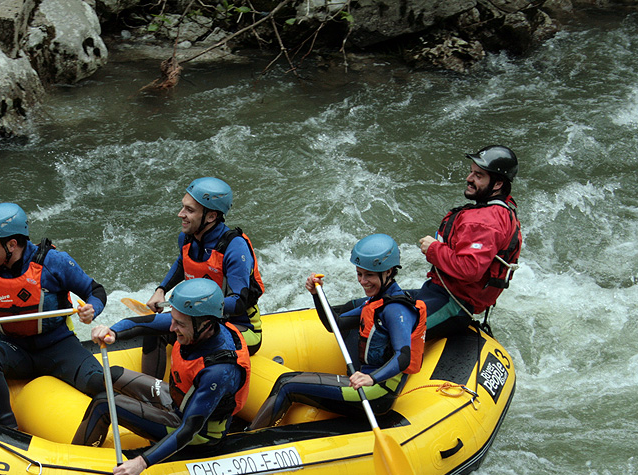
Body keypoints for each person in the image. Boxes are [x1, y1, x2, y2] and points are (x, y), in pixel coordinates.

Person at [0, 202, 107, 428]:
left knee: (100, 383)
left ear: (11, 244)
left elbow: (95, 291)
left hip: (58, 347)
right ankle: (9, 429)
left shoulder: (54, 262)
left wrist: (92, 309)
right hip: (15, 350)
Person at [77, 278, 251, 475]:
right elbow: (142, 324)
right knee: (111, 375)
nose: (172, 327)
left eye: (180, 324)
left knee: (104, 404)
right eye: (174, 319)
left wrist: (141, 463)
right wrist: (112, 332)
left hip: (198, 435)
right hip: (177, 401)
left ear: (205, 325)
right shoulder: (200, 323)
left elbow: (189, 429)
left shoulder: (219, 370)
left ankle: (73, 468)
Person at [249, 234, 427, 430]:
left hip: (377, 392)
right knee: (285, 380)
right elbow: (334, 324)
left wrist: (371, 378)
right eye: (359, 274)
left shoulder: (396, 310)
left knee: (287, 385)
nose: (363, 281)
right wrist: (318, 295)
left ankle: (251, 437)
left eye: (369, 275)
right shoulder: (378, 301)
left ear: (389, 272)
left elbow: (403, 355)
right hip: (367, 383)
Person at [141, 177, 265, 376]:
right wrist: (161, 290)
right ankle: (150, 398)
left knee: (196, 337)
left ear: (211, 216)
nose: (180, 214)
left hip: (242, 327)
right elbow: (183, 264)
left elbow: (239, 302)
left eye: (189, 210)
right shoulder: (187, 237)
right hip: (198, 320)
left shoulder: (235, 247)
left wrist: (191, 306)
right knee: (153, 331)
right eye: (183, 207)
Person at [412, 145, 523, 338]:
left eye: (478, 176)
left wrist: (434, 249)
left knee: (387, 331)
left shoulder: (486, 221)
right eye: (471, 172)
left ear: (497, 184)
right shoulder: (500, 211)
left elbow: (469, 269)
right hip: (441, 292)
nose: (469, 179)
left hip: (454, 303)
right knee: (366, 309)